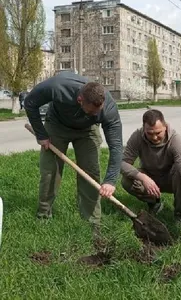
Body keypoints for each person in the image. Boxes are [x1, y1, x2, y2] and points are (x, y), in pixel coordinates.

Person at [24, 72, 123, 232]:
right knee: (50, 171)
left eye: (98, 112)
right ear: (80, 100)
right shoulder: (57, 87)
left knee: (90, 172)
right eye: (92, 112)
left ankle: (92, 222)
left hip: (87, 130)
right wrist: (41, 134)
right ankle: (43, 215)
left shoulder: (108, 109)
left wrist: (110, 180)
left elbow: (116, 145)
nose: (96, 114)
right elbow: (30, 103)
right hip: (57, 125)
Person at [121, 109, 181, 236]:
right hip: (149, 177)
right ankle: (154, 203)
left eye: (158, 133)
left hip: (171, 179)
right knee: (127, 180)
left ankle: (180, 213)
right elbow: (122, 163)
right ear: (144, 128)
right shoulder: (137, 136)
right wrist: (143, 178)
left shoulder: (176, 140)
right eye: (150, 133)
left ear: (165, 126)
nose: (154, 137)